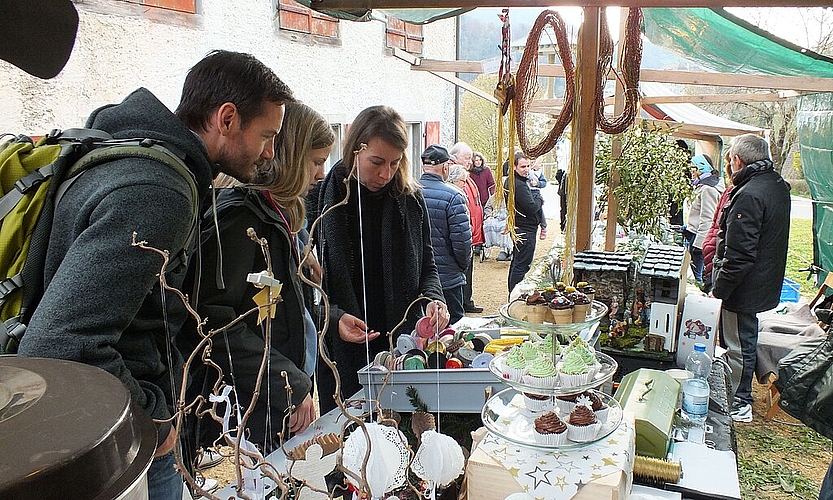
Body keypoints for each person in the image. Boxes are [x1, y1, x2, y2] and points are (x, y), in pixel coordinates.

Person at [17, 50, 294, 499]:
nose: (270, 152)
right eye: (267, 135)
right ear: (227, 119)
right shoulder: (158, 191)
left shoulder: (130, 153)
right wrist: (151, 417)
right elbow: (60, 342)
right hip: (119, 438)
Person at [178, 102, 331, 454]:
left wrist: (331, 318)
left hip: (282, 388)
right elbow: (216, 325)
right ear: (290, 156)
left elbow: (283, 305)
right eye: (316, 161)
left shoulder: (284, 217)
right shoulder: (240, 221)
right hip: (256, 396)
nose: (321, 174)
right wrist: (288, 383)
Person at [314, 106, 449, 413]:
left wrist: (434, 299)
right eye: (376, 162)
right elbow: (305, 293)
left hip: (404, 345)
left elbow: (427, 263)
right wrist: (333, 318)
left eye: (395, 163)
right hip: (342, 354)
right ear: (353, 151)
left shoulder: (410, 199)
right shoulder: (320, 201)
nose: (385, 174)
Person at [712, 134, 790, 423]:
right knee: (745, 339)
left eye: (731, 159)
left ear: (737, 161)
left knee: (738, 344)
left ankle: (738, 400)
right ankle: (740, 396)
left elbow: (739, 254)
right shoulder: (776, 185)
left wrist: (720, 290)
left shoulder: (748, 193)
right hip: (762, 280)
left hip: (745, 286)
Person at [419, 145, 472, 324]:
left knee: (422, 331)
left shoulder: (407, 192)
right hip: (448, 279)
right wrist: (461, 268)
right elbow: (463, 243)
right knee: (454, 330)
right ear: (445, 167)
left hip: (418, 280)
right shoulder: (454, 196)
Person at [450, 142, 484, 314]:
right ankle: (462, 303)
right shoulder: (454, 175)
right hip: (463, 233)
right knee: (462, 270)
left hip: (470, 233)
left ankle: (467, 300)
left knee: (468, 270)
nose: (470, 161)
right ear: (455, 158)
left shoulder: (465, 175)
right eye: (467, 157)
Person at [505, 151, 544, 294]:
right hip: (525, 229)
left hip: (519, 227)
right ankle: (515, 295)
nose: (527, 169)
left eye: (528, 166)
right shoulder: (518, 184)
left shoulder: (514, 181)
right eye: (523, 166)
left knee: (517, 262)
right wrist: (539, 198)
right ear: (514, 167)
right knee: (521, 265)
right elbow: (532, 207)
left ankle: (513, 294)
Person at [685, 154, 723, 285]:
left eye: (694, 169)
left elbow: (708, 218)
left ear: (701, 169)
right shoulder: (701, 186)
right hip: (693, 235)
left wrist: (699, 244)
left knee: (697, 278)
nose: (692, 172)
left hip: (699, 239)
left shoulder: (708, 189)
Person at [701, 154, 734, 294]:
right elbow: (716, 223)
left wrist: (701, 243)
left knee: (714, 300)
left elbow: (709, 219)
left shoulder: (734, 194)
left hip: (716, 253)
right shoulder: (728, 192)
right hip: (712, 251)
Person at [482, 192, 513, 261]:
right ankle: (488, 244)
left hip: (507, 217)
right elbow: (488, 207)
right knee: (487, 225)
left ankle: (504, 249)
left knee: (504, 227)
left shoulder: (511, 196)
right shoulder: (493, 197)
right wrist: (489, 215)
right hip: (495, 216)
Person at [527, 157, 548, 239]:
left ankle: (543, 226)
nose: (532, 163)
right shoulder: (526, 170)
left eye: (533, 162)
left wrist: (537, 183)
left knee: (539, 210)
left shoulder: (539, 172)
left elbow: (544, 183)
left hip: (535, 193)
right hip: (526, 192)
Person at [555, 167, 567, 232]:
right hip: (564, 191)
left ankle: (563, 226)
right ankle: (563, 226)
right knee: (564, 209)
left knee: (563, 209)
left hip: (564, 189)